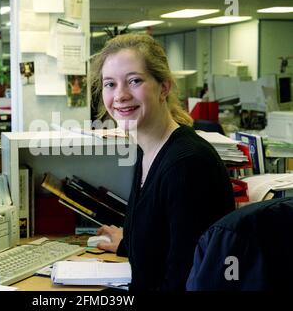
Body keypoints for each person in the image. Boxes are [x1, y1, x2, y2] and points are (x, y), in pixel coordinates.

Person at [90, 33, 235, 291]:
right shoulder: (147, 151)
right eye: (110, 84)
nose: (120, 95)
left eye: (134, 81)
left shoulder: (188, 165)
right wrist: (128, 242)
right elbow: (166, 243)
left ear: (164, 87)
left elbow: (184, 278)